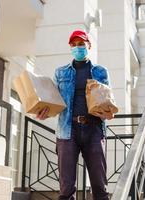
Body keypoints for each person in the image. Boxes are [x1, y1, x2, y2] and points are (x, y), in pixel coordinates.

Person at [36, 29, 112, 200]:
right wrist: (44, 112)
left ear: (89, 46)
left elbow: (108, 99)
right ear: (70, 47)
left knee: (100, 187)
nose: (78, 48)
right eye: (74, 45)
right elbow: (54, 100)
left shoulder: (101, 72)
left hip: (94, 130)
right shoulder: (60, 72)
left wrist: (109, 111)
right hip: (67, 131)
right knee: (66, 189)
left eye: (81, 44)